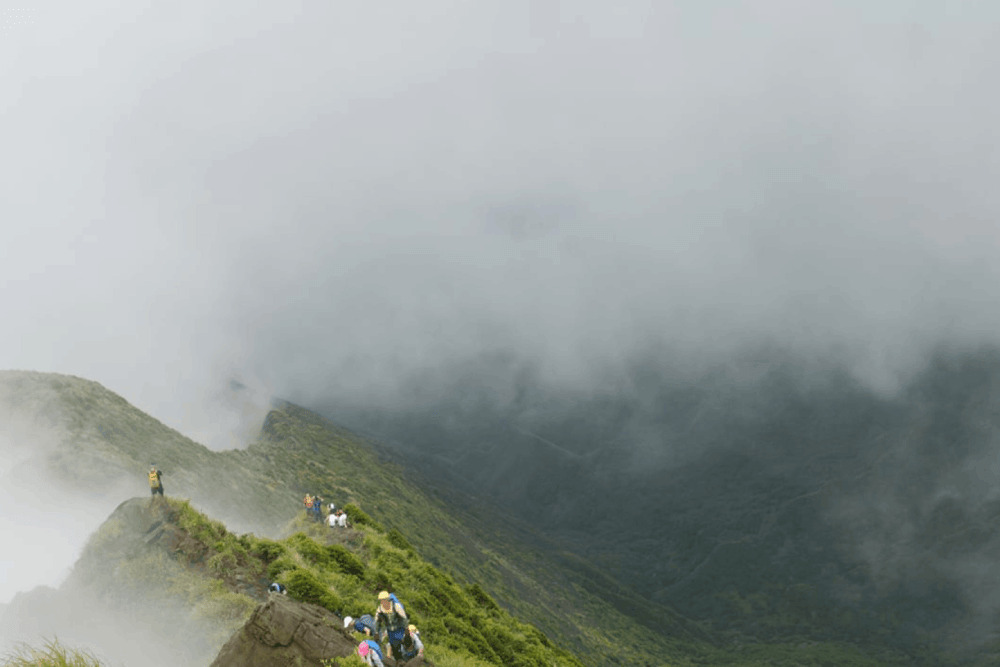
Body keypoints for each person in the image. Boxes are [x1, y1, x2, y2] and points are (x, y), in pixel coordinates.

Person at [374, 590, 408, 660]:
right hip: (390, 630)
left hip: (399, 628)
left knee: (396, 644)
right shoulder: (380, 609)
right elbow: (377, 621)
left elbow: (404, 618)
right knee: (393, 645)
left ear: (387, 600)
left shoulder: (396, 606)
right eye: (380, 601)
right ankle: (398, 660)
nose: (381, 602)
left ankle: (401, 659)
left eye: (383, 600)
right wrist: (376, 632)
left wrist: (406, 629)